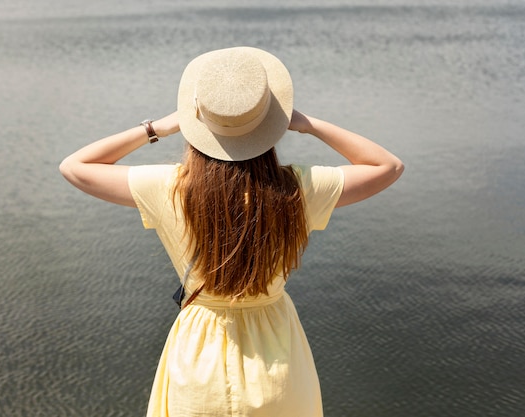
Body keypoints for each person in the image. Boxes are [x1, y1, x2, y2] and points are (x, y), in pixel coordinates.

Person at [59, 46, 403, 417]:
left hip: (198, 356)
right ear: (272, 122)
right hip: (277, 357)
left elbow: (76, 166)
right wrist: (308, 124)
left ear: (198, 123)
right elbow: (387, 165)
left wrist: (158, 127)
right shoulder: (296, 189)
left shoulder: (170, 187)